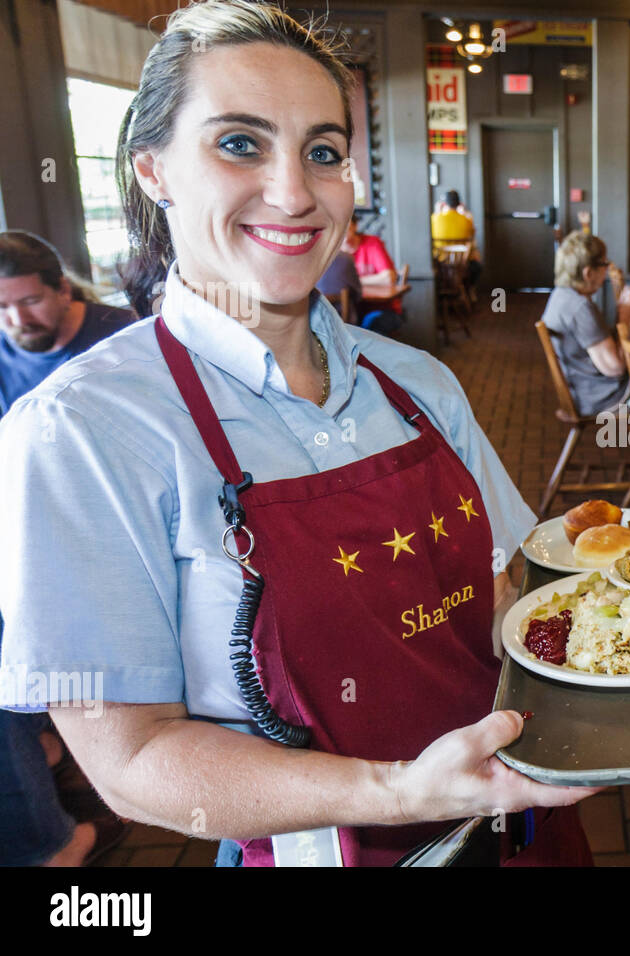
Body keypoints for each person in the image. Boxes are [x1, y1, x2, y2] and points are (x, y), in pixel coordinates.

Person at [0, 0, 597, 868]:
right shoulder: (80, 433)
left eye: (323, 152)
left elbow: (500, 599)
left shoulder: (420, 382)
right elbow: (129, 763)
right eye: (239, 143)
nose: (294, 191)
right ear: (153, 168)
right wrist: (397, 791)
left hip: (529, 822)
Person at [0, 231, 135, 866]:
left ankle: (49, 837)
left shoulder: (121, 340)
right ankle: (43, 740)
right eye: (0, 308)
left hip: (107, 543)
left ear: (62, 289)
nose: (14, 321)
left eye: (27, 303)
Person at [0, 231, 136, 415]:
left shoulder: (128, 335)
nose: (19, 320)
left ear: (63, 291)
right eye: (2, 307)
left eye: (31, 301)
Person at [540, 231, 630, 418]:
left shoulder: (560, 296)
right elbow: (614, 368)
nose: (607, 270)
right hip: (604, 398)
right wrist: (625, 317)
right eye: (604, 264)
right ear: (588, 273)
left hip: (582, 391)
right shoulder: (579, 308)